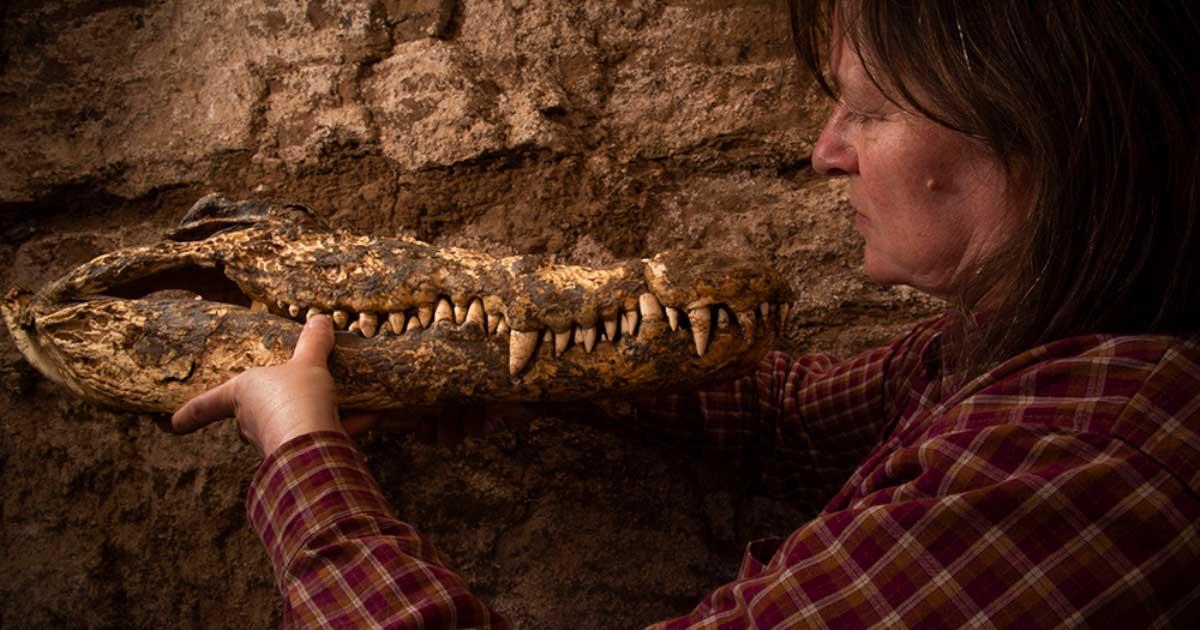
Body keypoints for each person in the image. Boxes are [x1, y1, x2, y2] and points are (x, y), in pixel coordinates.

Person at [172, 0, 1200, 627]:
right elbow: (791, 415)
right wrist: (503, 355)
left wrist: (302, 453)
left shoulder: (1079, 469)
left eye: (870, 110)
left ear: (1035, 128)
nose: (827, 152)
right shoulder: (1028, 352)